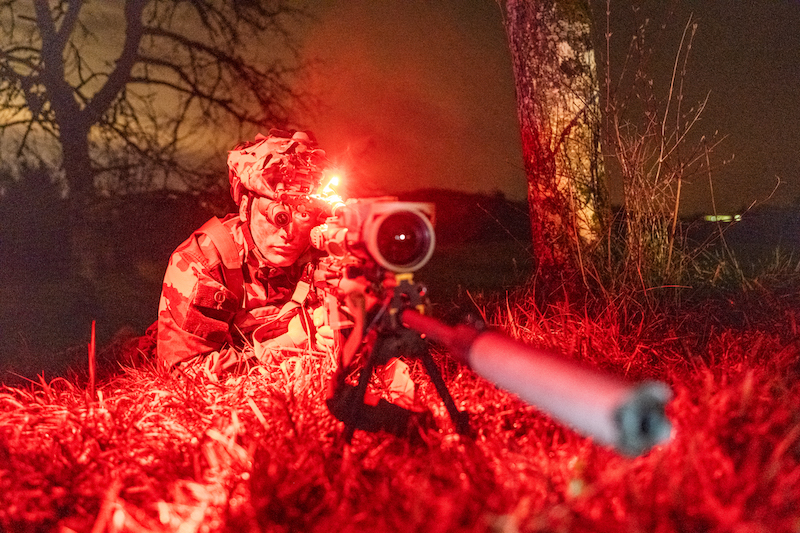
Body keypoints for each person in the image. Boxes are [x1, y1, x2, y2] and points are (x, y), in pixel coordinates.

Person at [156, 129, 418, 409]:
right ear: (246, 205)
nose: (289, 232)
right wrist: (292, 346)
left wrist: (349, 332)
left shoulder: (324, 248)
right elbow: (184, 374)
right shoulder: (203, 260)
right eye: (279, 215)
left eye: (303, 214)